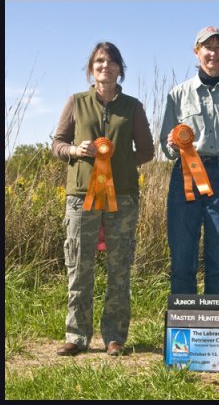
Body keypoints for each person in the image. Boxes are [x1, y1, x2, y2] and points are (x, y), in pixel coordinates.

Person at [52, 42, 154, 356]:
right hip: (81, 197)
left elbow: (148, 151)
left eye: (110, 61)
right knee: (78, 266)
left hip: (122, 198)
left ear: (119, 68)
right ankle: (76, 336)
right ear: (91, 69)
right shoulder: (75, 102)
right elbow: (57, 143)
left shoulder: (133, 106)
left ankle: (115, 338)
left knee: (119, 268)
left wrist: (121, 162)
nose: (104, 66)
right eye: (98, 61)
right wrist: (74, 150)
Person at [160, 26, 219, 297]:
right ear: (197, 52)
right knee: (182, 258)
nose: (213, 53)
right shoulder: (177, 94)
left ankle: (215, 336)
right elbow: (165, 146)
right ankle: (184, 333)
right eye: (207, 47)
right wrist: (171, 145)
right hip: (185, 179)